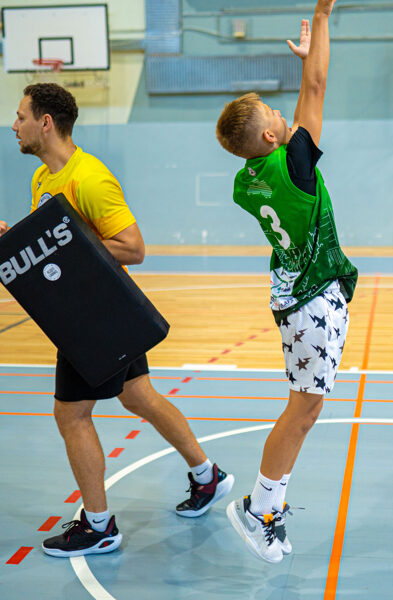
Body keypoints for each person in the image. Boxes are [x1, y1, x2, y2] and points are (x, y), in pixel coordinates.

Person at [3, 83, 233, 558]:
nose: (14, 124)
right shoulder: (44, 179)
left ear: (45, 123)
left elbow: (134, 247)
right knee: (139, 395)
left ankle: (99, 525)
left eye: (21, 115)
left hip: (99, 314)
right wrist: (17, 239)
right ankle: (207, 476)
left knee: (71, 413)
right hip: (85, 309)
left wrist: (68, 247)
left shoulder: (90, 178)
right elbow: (55, 246)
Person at [215, 0, 357, 564]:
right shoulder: (293, 165)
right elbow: (317, 86)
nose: (286, 114)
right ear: (274, 139)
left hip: (294, 293)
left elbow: (297, 104)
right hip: (314, 296)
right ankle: (261, 510)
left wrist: (301, 66)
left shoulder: (245, 181)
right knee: (303, 410)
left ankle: (264, 504)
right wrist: (322, 17)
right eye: (277, 114)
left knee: (303, 405)